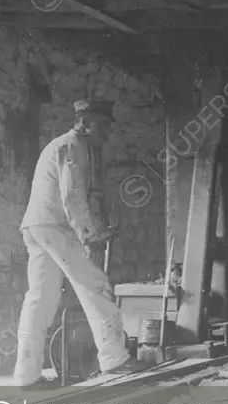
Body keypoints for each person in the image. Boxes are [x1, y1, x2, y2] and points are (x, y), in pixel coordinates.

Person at [14, 100, 141, 387]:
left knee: (41, 299)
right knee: (95, 284)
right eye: (103, 126)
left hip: (36, 226)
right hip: (54, 226)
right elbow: (71, 196)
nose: (107, 133)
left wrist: (92, 229)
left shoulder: (65, 145)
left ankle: (25, 375)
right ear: (84, 123)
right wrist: (89, 235)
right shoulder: (72, 147)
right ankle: (115, 359)